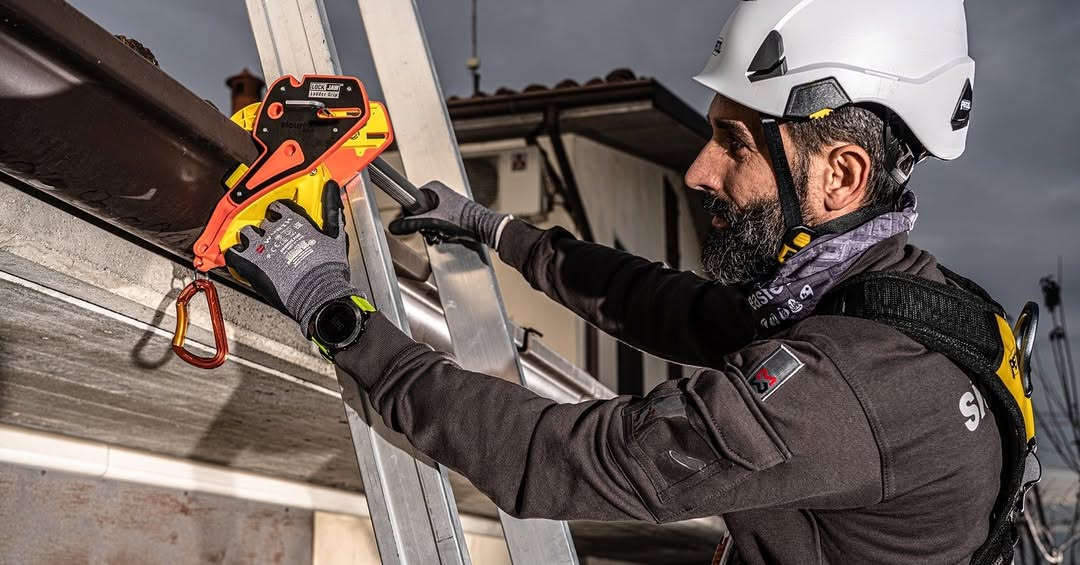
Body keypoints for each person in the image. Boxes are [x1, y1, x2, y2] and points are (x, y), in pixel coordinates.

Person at [225, 1, 1038, 562]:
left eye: (735, 142)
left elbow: (561, 460)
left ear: (842, 175)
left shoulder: (838, 392)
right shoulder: (884, 298)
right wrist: (493, 229)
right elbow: (669, 306)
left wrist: (337, 314)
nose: (698, 168)